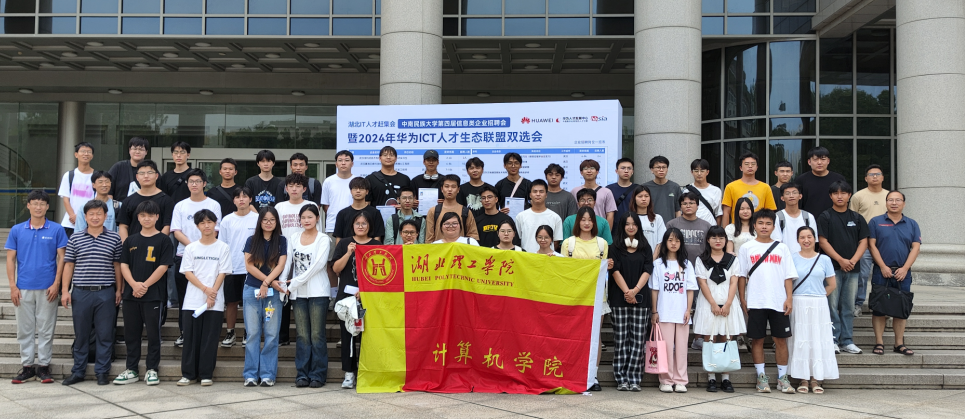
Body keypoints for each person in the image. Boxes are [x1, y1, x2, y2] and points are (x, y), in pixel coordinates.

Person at [6, 190, 68, 384]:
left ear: (47, 207)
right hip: (23, 287)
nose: (38, 207)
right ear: (28, 206)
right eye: (35, 203)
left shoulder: (56, 229)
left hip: (48, 288)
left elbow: (62, 258)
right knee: (24, 329)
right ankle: (27, 367)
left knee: (46, 328)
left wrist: (56, 283)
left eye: (42, 203)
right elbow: (10, 259)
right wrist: (13, 286)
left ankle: (43, 367)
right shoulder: (17, 230)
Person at [60, 200, 123, 386]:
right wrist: (65, 290)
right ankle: (78, 371)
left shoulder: (114, 238)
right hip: (81, 292)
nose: (95, 217)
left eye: (99, 214)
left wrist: (119, 290)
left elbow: (117, 265)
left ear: (105, 216)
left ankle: (102, 372)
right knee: (81, 334)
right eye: (91, 214)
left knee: (105, 334)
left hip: (105, 292)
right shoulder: (75, 238)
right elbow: (68, 265)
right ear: (85, 217)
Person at [737, 209, 798, 394]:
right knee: (757, 340)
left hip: (779, 301)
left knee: (781, 340)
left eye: (768, 223)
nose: (764, 227)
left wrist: (789, 298)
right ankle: (761, 377)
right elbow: (741, 275)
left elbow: (788, 275)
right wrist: (742, 298)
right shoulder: (747, 248)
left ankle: (782, 378)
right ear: (754, 225)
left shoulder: (782, 248)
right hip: (756, 300)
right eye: (761, 223)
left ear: (773, 226)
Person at [115, 200, 174, 386]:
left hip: (154, 295)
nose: (146, 219)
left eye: (150, 215)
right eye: (142, 215)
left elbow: (163, 266)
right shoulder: (130, 240)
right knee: (131, 334)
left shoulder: (164, 240)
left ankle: (152, 369)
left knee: (154, 334)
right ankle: (131, 369)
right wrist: (134, 285)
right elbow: (124, 265)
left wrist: (145, 286)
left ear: (157, 217)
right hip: (131, 295)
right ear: (138, 218)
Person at [177, 209, 232, 387]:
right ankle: (188, 374)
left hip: (215, 301)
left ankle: (206, 374)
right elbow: (188, 273)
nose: (206, 226)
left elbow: (223, 272)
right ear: (197, 226)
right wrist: (205, 290)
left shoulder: (223, 247)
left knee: (210, 339)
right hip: (192, 301)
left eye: (210, 222)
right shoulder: (191, 248)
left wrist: (212, 294)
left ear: (215, 224)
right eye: (202, 223)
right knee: (191, 338)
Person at [280, 205, 332, 388]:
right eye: (303, 217)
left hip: (318, 292)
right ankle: (302, 374)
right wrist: (283, 283)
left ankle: (318, 374)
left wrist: (294, 282)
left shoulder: (323, 239)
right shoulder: (294, 237)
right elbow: (287, 262)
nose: (306, 220)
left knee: (317, 335)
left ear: (317, 218)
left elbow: (318, 265)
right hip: (298, 294)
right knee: (302, 335)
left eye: (310, 217)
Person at [171, 168, 222, 347]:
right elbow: (176, 231)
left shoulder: (213, 205)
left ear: (204, 184)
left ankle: (205, 333)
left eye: (198, 181)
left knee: (206, 293)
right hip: (184, 255)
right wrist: (194, 247)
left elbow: (215, 230)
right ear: (187, 184)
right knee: (184, 297)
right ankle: (184, 332)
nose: (194, 184)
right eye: (191, 181)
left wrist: (201, 248)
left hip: (209, 258)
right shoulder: (180, 205)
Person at [561, 206, 610, 392]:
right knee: (574, 335)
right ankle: (572, 373)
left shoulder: (602, 244)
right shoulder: (569, 243)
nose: (587, 223)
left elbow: (603, 270)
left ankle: (592, 375)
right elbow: (564, 270)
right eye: (583, 219)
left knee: (594, 336)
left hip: (597, 297)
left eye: (590, 220)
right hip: (575, 296)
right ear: (578, 222)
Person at [818, 180, 869, 354]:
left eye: (843, 193)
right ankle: (832, 339)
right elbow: (823, 241)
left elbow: (864, 241)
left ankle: (847, 340)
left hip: (853, 269)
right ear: (831, 196)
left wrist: (852, 261)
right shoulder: (825, 216)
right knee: (831, 306)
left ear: (849, 195)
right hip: (832, 269)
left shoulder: (857, 218)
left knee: (848, 306)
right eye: (836, 193)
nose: (840, 196)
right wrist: (840, 260)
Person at [868, 190, 921, 357]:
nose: (894, 203)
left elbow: (916, 247)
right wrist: (883, 266)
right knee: (878, 308)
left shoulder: (912, 224)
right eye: (890, 200)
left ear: (903, 203)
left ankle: (899, 344)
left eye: (898, 200)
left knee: (901, 307)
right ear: (886, 203)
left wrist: (905, 268)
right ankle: (879, 342)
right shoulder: (876, 222)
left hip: (903, 272)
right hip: (881, 271)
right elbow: (871, 245)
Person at [332, 212, 382, 388]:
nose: (361, 226)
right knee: (348, 335)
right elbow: (336, 269)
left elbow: (381, 274)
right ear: (352, 226)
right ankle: (349, 373)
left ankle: (369, 371)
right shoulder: (345, 243)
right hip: (347, 298)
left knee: (370, 335)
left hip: (370, 297)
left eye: (364, 223)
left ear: (370, 226)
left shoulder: (376, 245)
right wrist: (348, 253)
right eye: (357, 223)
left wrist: (366, 290)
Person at [693, 226, 744, 393]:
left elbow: (734, 282)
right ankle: (711, 377)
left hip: (728, 302)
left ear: (725, 240)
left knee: (725, 338)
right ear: (708, 240)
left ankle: (726, 377)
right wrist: (713, 304)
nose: (718, 241)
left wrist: (728, 303)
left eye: (721, 238)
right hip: (708, 303)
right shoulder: (701, 259)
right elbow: (702, 283)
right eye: (714, 237)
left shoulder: (732, 260)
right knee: (710, 338)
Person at [788, 226, 839, 394]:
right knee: (801, 339)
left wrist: (819, 296)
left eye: (809, 237)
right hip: (798, 302)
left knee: (818, 339)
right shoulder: (792, 258)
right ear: (797, 240)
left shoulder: (824, 259)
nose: (806, 240)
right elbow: (787, 282)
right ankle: (802, 378)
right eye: (802, 237)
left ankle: (816, 378)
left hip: (819, 303)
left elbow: (832, 284)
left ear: (815, 239)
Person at [242, 207, 288, 387]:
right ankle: (250, 375)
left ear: (277, 222)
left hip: (272, 294)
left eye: (272, 220)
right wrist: (266, 282)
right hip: (251, 292)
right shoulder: (251, 240)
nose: (268, 223)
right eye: (265, 219)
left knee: (271, 333)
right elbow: (249, 266)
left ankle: (268, 374)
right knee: (253, 333)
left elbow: (280, 266)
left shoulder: (282, 241)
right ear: (260, 221)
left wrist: (267, 283)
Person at [649, 228, 697, 393]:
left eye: (677, 240)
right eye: (670, 240)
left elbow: (690, 289)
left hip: (682, 312)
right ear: (665, 242)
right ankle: (666, 380)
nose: (674, 243)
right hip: (664, 312)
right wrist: (654, 311)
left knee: (682, 348)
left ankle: (681, 380)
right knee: (666, 348)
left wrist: (688, 310)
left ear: (681, 243)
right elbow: (654, 290)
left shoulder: (686, 264)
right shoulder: (658, 264)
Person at [608, 213, 653, 392]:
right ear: (622, 226)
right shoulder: (615, 247)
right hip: (619, 299)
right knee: (621, 340)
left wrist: (634, 291)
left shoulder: (645, 246)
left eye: (634, 224)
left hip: (641, 300)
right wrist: (627, 292)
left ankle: (634, 378)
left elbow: (647, 269)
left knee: (638, 341)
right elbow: (614, 271)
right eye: (627, 224)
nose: (631, 227)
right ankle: (621, 378)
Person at [218, 187, 258, 348]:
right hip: (232, 267)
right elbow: (222, 245)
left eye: (245, 196)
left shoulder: (258, 219)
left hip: (252, 268)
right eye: (238, 197)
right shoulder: (227, 220)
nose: (241, 199)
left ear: (251, 199)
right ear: (233, 200)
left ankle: (249, 332)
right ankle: (230, 332)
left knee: (250, 302)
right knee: (231, 302)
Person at [321, 150, 359, 304]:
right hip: (333, 227)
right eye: (340, 160)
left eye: (347, 160)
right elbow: (326, 206)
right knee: (332, 262)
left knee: (354, 262)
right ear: (336, 163)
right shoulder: (329, 181)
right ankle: (333, 295)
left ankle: (353, 293)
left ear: (352, 163)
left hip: (356, 227)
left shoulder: (358, 181)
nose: (343, 163)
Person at [851, 164, 889, 317]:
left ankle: (885, 304)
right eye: (871, 174)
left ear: (883, 177)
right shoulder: (858, 196)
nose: (874, 177)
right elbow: (853, 220)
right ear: (866, 178)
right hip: (865, 243)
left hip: (884, 243)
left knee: (886, 274)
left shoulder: (889, 196)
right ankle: (858, 304)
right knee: (862, 275)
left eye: (878, 174)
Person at [118, 160, 174, 242]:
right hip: (133, 246)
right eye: (142, 173)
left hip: (158, 246)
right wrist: (127, 245)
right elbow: (123, 225)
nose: (146, 176)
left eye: (150, 173)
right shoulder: (128, 201)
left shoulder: (167, 200)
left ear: (156, 176)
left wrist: (157, 244)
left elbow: (167, 226)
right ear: (137, 177)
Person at [722, 152, 777, 225]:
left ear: (757, 167)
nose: (750, 166)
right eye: (746, 164)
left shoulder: (765, 187)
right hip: (737, 228)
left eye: (753, 164)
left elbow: (770, 212)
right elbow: (726, 212)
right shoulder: (731, 187)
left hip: (758, 228)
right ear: (741, 168)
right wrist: (725, 230)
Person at [425, 174, 479, 243]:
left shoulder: (466, 211)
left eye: (453, 187)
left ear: (458, 189)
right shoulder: (433, 211)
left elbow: (472, 236)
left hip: (459, 249)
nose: (450, 189)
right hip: (440, 249)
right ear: (442, 189)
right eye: (446, 186)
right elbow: (429, 238)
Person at [666, 192, 713, 267]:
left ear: (697, 206)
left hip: (701, 266)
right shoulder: (672, 225)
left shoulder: (706, 226)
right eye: (684, 204)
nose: (688, 206)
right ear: (680, 207)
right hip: (677, 266)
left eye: (691, 203)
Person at [796, 147, 847, 216]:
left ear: (828, 161)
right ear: (809, 162)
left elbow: (844, 201)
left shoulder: (838, 179)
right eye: (815, 159)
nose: (819, 162)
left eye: (823, 159)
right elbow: (797, 203)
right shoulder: (801, 180)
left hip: (834, 219)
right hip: (809, 219)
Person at [59, 142, 96, 236]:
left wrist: (83, 218)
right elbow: (66, 199)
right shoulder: (69, 175)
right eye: (83, 151)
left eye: (89, 152)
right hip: (70, 223)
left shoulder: (96, 176)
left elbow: (98, 199)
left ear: (92, 156)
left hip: (90, 222)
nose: (86, 154)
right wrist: (73, 216)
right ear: (76, 154)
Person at [334, 177, 385, 245]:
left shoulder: (375, 213)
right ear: (351, 191)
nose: (358, 191)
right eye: (355, 188)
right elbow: (338, 238)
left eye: (361, 188)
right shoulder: (342, 213)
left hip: (369, 250)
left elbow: (377, 237)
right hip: (347, 250)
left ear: (367, 192)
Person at [770, 183, 819, 253]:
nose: (791, 196)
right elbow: (776, 242)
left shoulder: (808, 217)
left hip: (804, 257)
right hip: (785, 257)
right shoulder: (777, 217)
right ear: (782, 198)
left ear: (800, 196)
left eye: (794, 193)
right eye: (787, 193)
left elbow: (813, 241)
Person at [516, 179, 563, 253]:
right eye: (535, 191)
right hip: (526, 257)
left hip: (547, 258)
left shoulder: (555, 217)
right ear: (530, 195)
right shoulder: (521, 216)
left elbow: (556, 242)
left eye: (541, 191)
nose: (538, 194)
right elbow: (517, 240)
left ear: (546, 195)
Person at [570, 159, 617, 226]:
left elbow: (610, 214)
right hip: (580, 228)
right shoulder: (574, 191)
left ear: (597, 172)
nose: (589, 171)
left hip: (599, 228)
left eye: (592, 168)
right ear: (581, 172)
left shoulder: (606, 192)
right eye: (585, 169)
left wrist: (606, 231)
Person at [107, 136, 150, 202]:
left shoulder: (151, 170)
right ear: (129, 150)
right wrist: (111, 206)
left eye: (141, 149)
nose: (137, 152)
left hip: (144, 207)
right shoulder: (118, 167)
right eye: (134, 149)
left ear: (146, 152)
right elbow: (108, 189)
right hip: (120, 207)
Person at [642, 156, 682, 224]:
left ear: (667, 169)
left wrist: (678, 225)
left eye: (664, 167)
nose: (661, 170)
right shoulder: (645, 187)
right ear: (652, 170)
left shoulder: (675, 187)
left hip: (670, 226)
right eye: (658, 167)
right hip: (650, 225)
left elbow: (678, 210)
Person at [629, 185, 665, 257]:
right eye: (640, 196)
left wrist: (652, 259)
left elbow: (660, 242)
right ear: (634, 198)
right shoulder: (629, 218)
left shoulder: (657, 218)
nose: (643, 199)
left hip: (653, 258)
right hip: (634, 259)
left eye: (646, 196)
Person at [685, 159, 722, 225]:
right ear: (692, 172)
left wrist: (717, 229)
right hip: (691, 227)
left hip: (710, 227)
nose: (699, 173)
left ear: (707, 172)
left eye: (702, 171)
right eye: (696, 171)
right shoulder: (686, 191)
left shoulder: (716, 191)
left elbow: (718, 213)